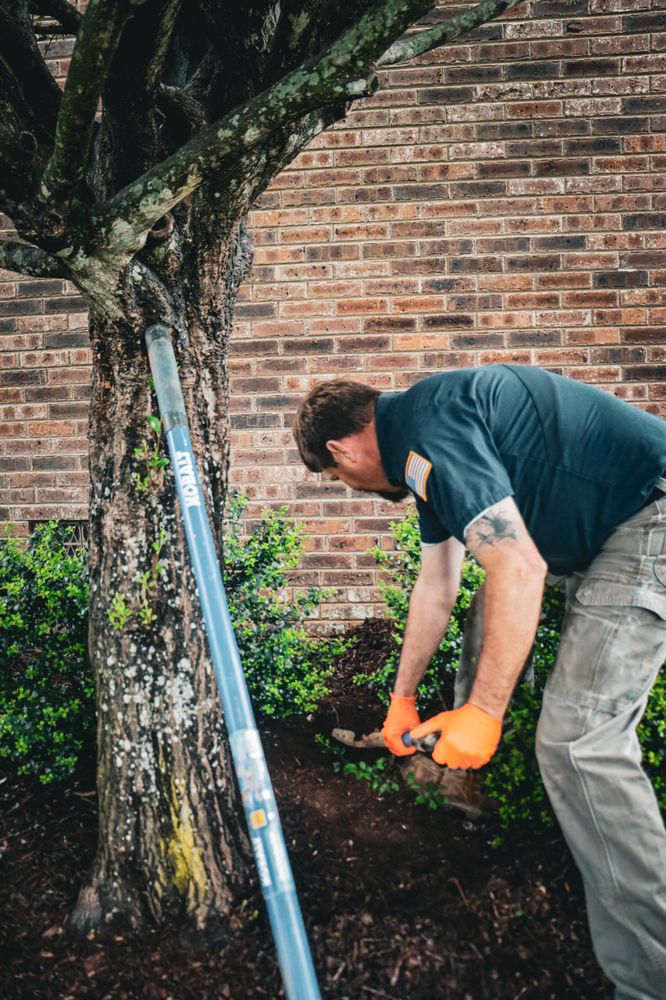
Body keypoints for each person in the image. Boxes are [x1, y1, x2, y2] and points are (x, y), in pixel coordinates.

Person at [293, 364, 666, 1000]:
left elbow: (518, 567)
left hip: (648, 516)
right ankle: (459, 776)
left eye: (338, 479)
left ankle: (650, 980)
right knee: (481, 609)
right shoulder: (424, 458)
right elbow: (436, 587)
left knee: (578, 745)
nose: (351, 488)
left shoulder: (429, 430)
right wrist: (401, 700)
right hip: (614, 525)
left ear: (341, 449)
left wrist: (486, 711)